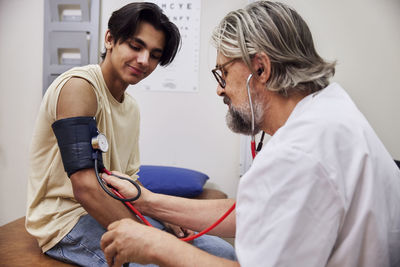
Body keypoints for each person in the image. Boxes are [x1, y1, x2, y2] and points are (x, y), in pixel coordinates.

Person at [99, 1, 400, 266]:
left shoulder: (297, 152)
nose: (220, 88)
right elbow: (256, 210)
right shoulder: (329, 112)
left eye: (224, 74)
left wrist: (154, 245)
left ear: (260, 68)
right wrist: (148, 201)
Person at [26, 2, 236, 266]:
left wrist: (165, 218)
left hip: (110, 206)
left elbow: (128, 181)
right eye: (136, 47)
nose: (144, 60)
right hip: (65, 220)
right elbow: (85, 186)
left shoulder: (131, 108)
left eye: (154, 54)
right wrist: (152, 239)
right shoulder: (78, 87)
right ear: (110, 39)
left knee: (221, 251)